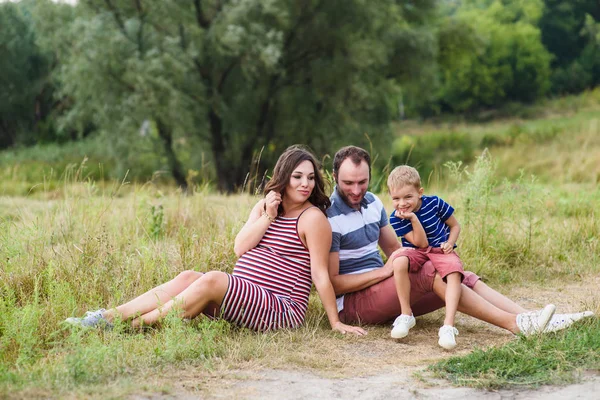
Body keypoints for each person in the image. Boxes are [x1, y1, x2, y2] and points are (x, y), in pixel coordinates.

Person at [65, 145, 366, 336]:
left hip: (281, 308)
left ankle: (126, 328)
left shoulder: (312, 218)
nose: (305, 184)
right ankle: (105, 317)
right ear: (284, 176)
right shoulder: (265, 208)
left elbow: (320, 274)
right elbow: (240, 247)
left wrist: (335, 322)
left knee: (213, 280)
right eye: (298, 176)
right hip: (246, 297)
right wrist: (267, 216)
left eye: (311, 178)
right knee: (188, 276)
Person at [326, 145, 592, 341]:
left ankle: (532, 317)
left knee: (456, 273)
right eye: (349, 182)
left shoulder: (373, 202)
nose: (357, 190)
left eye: (362, 181)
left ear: (370, 177)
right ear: (335, 176)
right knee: (431, 273)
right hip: (353, 303)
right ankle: (516, 325)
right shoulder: (328, 216)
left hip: (384, 289)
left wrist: (424, 257)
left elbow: (396, 250)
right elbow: (333, 282)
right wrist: (386, 271)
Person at [387, 165, 464, 349]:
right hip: (416, 250)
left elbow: (455, 226)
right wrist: (413, 219)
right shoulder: (396, 218)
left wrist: (449, 243)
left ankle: (448, 326)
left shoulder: (435, 203)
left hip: (439, 248)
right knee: (398, 261)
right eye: (396, 198)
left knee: (454, 273)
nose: (402, 203)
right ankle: (406, 314)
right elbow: (420, 244)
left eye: (408, 197)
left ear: (419, 192)